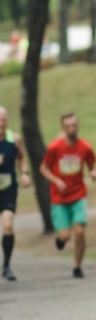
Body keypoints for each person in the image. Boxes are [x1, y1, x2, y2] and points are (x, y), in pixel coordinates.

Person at [40, 112, 96, 278]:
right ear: (63, 128)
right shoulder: (55, 148)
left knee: (80, 232)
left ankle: (77, 266)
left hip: (78, 194)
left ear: (77, 125)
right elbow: (43, 168)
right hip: (59, 198)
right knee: (66, 235)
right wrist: (56, 181)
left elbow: (91, 165)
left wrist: (93, 172)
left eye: (74, 125)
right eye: (68, 126)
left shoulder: (85, 147)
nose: (71, 129)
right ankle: (61, 240)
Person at [0, 107, 31, 281]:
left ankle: (6, 265)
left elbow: (21, 157)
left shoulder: (15, 139)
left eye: (3, 120)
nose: (0, 124)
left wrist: (24, 173)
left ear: (7, 120)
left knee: (8, 225)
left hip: (8, 190)